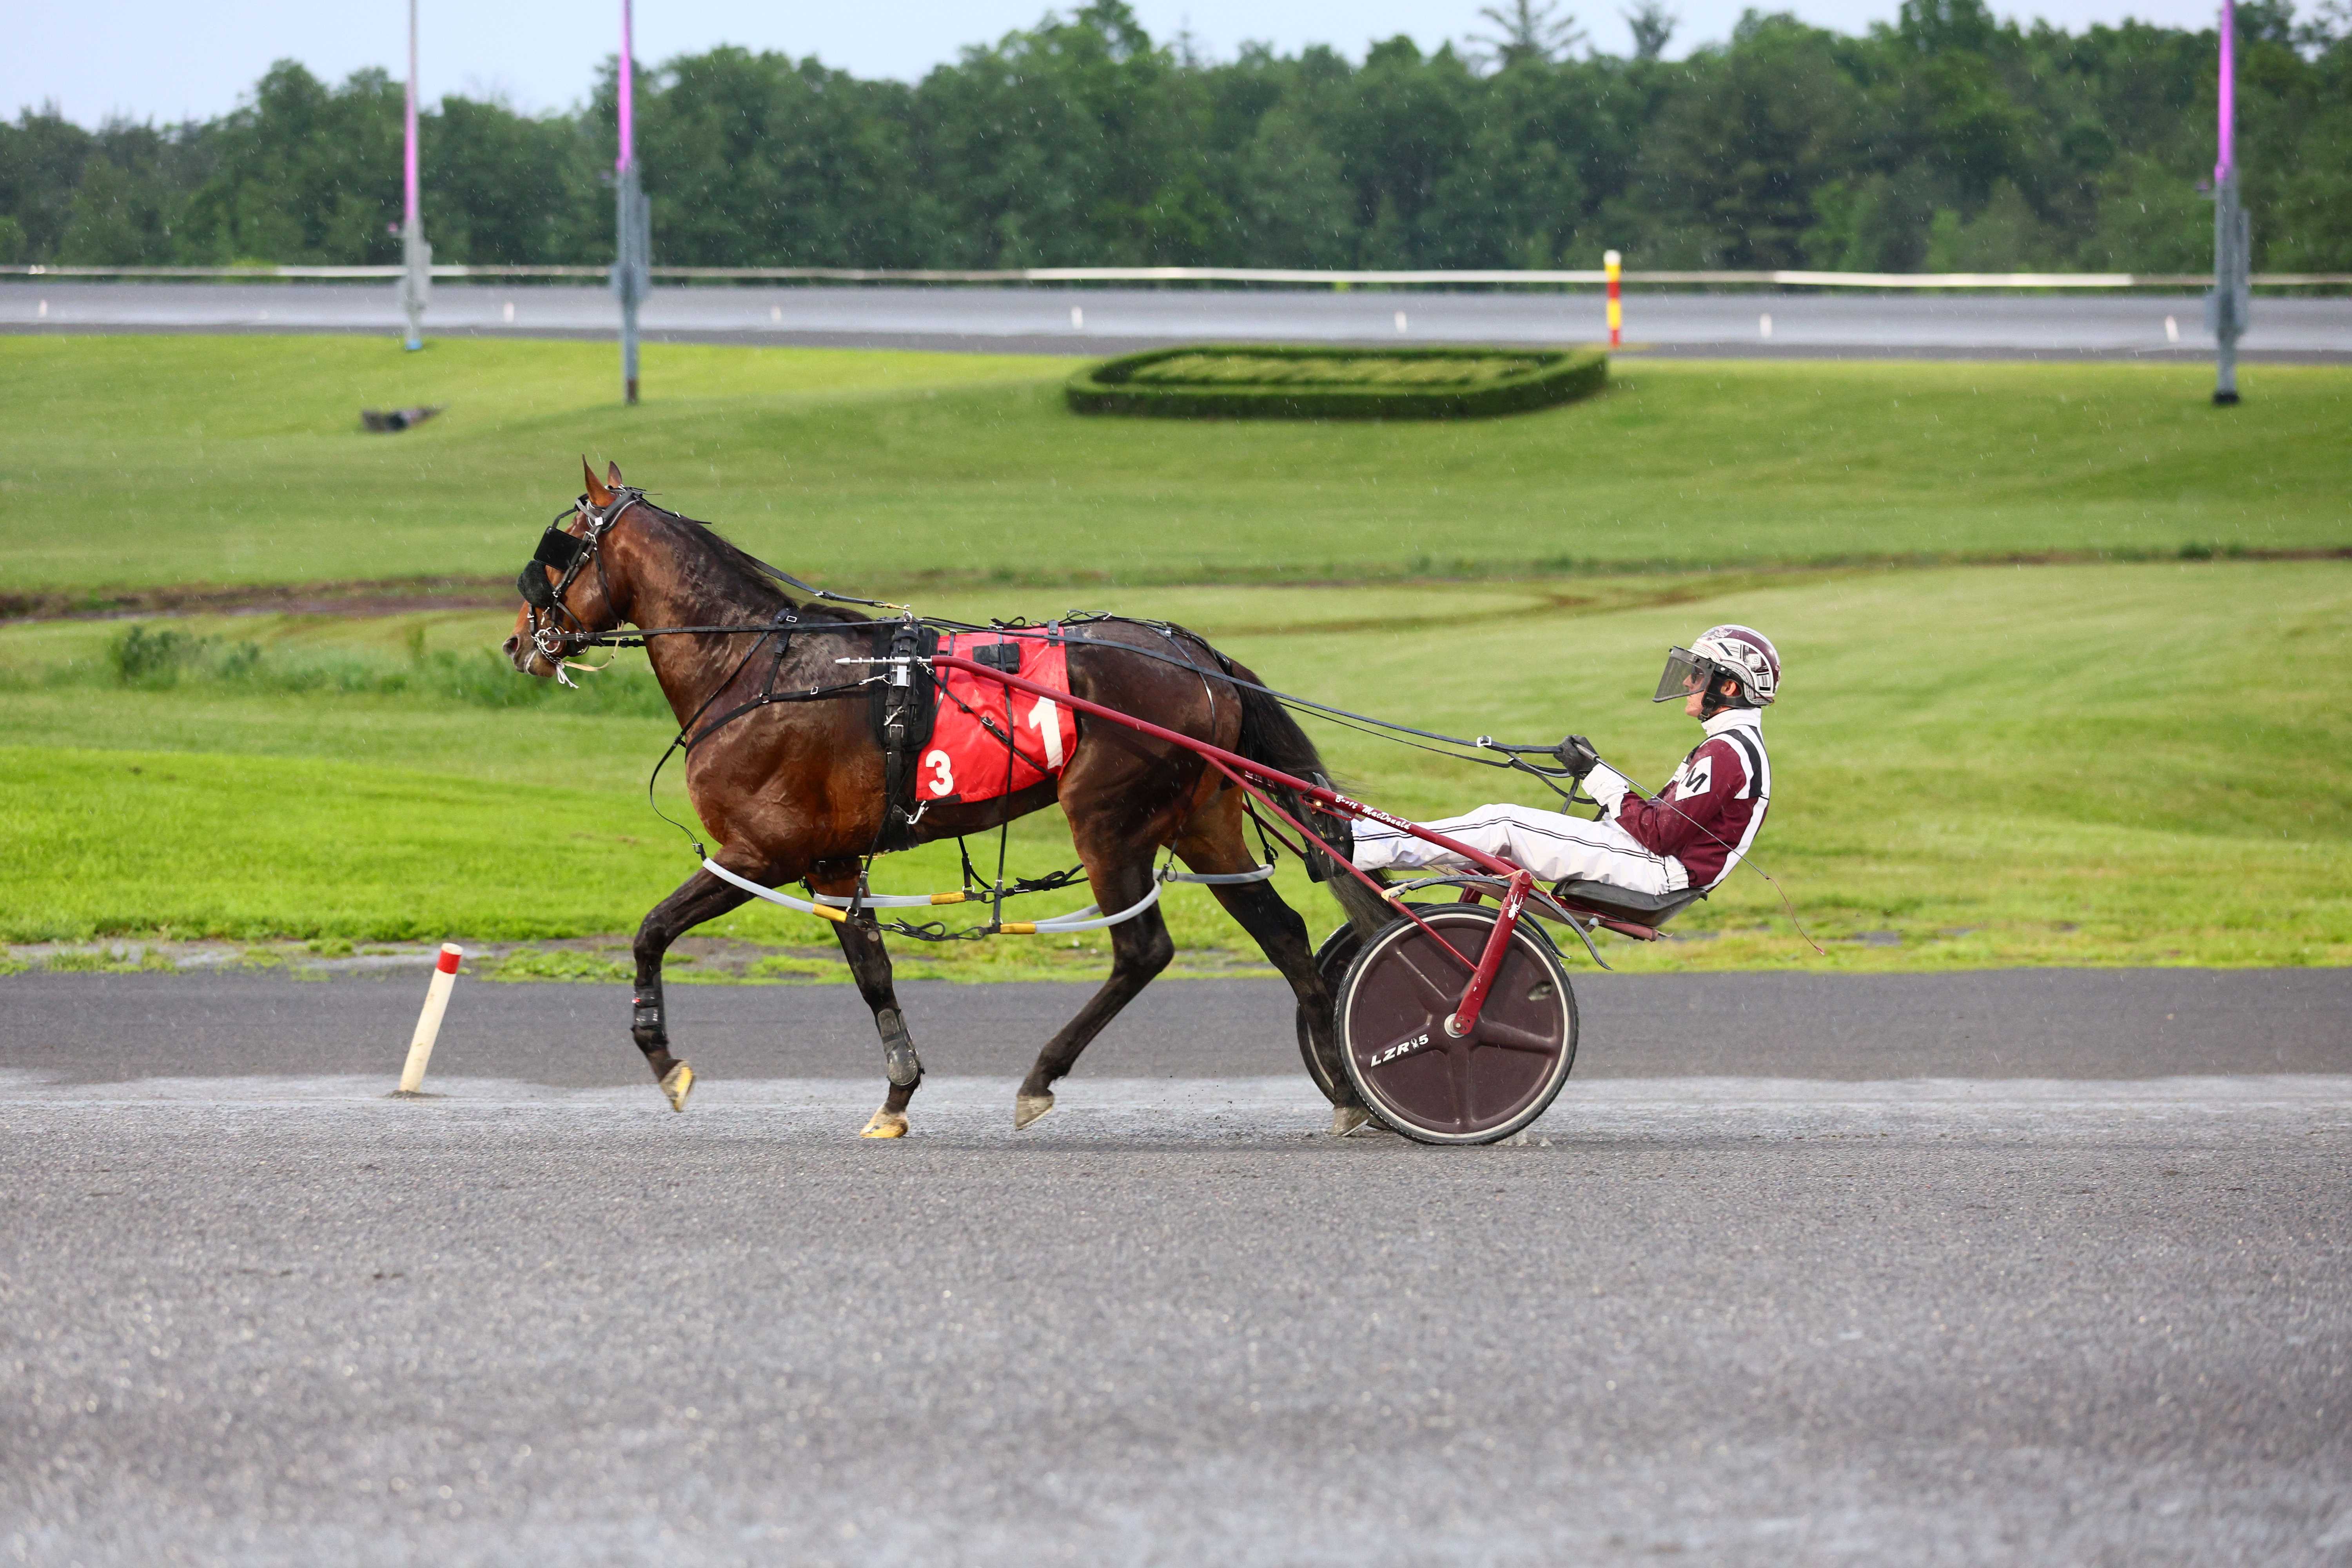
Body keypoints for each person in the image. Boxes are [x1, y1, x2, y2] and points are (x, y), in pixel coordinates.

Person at [1350, 624, 1779, 900]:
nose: (1688, 681)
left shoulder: (1729, 752)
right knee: (1499, 831)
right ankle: (1377, 847)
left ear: (1728, 688)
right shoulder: (1734, 747)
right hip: (1655, 862)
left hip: (1656, 870)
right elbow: (1663, 824)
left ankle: (1360, 845)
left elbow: (1660, 834)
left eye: (1700, 674)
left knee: (1504, 825)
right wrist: (1598, 774)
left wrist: (1596, 776)